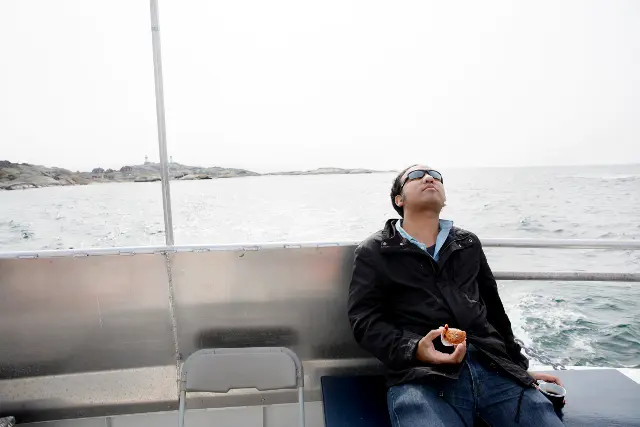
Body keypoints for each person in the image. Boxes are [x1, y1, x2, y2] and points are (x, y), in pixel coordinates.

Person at [347, 164, 565, 427]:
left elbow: (494, 311)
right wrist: (415, 349)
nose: (429, 178)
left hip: (493, 368)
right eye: (415, 176)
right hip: (423, 379)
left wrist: (518, 369)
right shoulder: (375, 251)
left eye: (436, 176)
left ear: (445, 199)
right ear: (399, 199)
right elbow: (365, 321)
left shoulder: (468, 243)